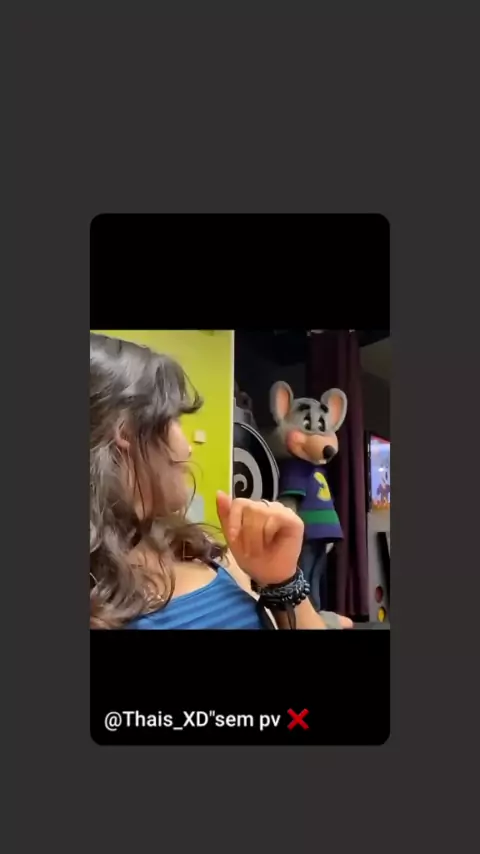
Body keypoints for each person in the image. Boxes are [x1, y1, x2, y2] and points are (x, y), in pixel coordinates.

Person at [90, 333, 353, 630]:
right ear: (126, 431)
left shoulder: (197, 548)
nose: (188, 448)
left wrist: (283, 581)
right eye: (175, 419)